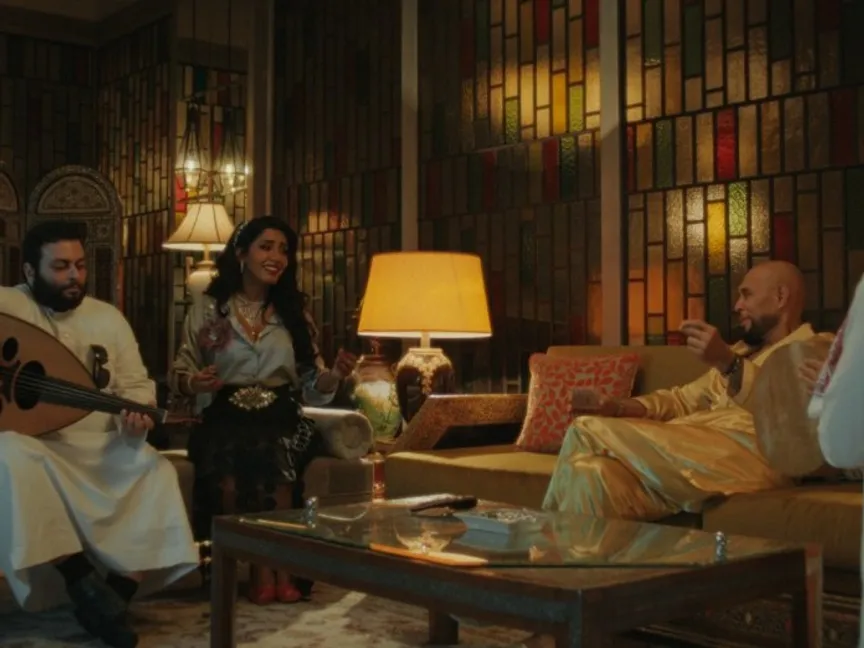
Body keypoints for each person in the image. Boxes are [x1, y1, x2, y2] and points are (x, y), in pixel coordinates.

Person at [0, 220, 199, 648]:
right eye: (60, 267)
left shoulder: (107, 318)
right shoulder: (7, 306)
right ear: (30, 271)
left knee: (155, 471)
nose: (74, 275)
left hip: (101, 443)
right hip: (38, 443)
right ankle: (81, 580)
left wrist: (136, 417)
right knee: (10, 453)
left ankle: (112, 598)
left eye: (80, 265)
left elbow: (137, 385)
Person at [169, 216, 356, 605]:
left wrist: (334, 376)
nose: (277, 257)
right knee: (231, 464)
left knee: (277, 456)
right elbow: (181, 369)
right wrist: (194, 383)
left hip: (281, 413)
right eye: (266, 247)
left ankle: (280, 570)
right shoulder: (209, 309)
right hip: (225, 413)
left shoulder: (293, 313)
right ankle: (257, 570)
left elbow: (312, 384)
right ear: (241, 253)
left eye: (284, 250)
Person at [543, 260, 815, 520]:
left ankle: (542, 542)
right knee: (589, 473)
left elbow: (789, 413)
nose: (737, 305)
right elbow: (681, 400)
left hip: (750, 458)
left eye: (747, 295)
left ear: (780, 297)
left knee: (585, 428)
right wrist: (617, 407)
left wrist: (727, 362)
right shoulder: (743, 351)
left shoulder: (813, 349)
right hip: (694, 452)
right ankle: (588, 555)